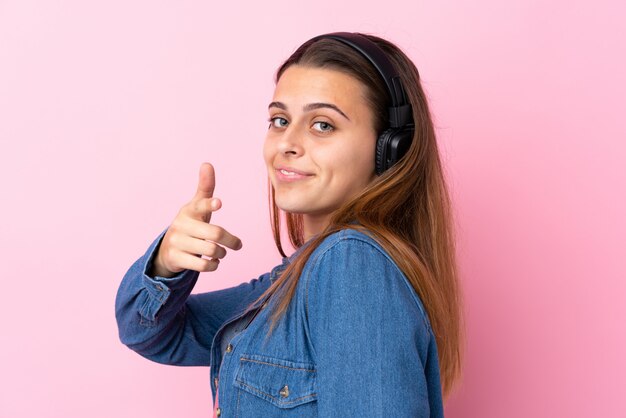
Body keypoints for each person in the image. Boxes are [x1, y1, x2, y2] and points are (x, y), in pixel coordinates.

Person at [115, 31, 463, 417]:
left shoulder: (351, 264)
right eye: (280, 120)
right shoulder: (299, 278)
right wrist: (166, 265)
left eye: (323, 125)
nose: (287, 143)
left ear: (388, 150)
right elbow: (151, 333)